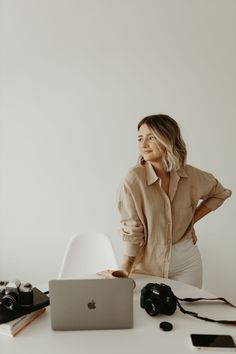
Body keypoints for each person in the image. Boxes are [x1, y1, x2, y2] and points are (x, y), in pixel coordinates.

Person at [112, 114, 231, 288]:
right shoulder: (133, 179)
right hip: (148, 265)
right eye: (140, 138)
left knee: (190, 313)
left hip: (187, 262)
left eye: (151, 138)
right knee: (152, 314)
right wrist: (124, 269)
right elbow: (132, 229)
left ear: (168, 138)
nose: (143, 145)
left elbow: (220, 193)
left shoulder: (191, 175)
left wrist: (190, 221)